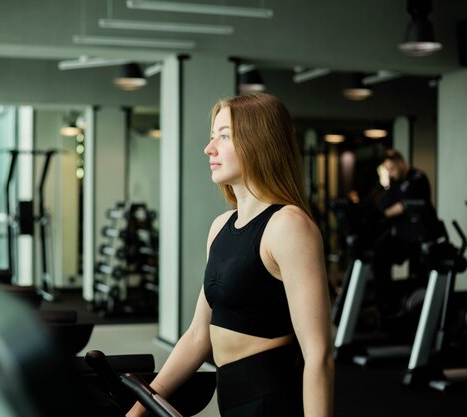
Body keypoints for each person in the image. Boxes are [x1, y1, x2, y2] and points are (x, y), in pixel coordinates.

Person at [126, 93, 334, 417]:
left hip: (271, 401)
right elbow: (197, 336)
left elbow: (318, 353)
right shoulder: (221, 226)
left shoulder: (289, 226)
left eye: (224, 136)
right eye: (213, 137)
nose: (210, 149)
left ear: (258, 143)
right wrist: (142, 405)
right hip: (231, 400)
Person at [371, 149, 433, 315]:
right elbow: (384, 205)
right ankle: (384, 307)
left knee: (419, 275)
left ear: (401, 163)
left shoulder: (418, 178)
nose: (390, 173)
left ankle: (422, 312)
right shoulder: (396, 182)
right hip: (402, 237)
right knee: (380, 254)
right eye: (387, 170)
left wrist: (386, 213)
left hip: (421, 238)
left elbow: (403, 206)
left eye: (391, 169)